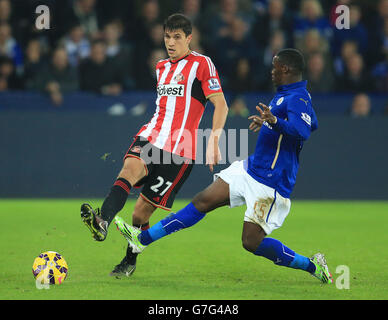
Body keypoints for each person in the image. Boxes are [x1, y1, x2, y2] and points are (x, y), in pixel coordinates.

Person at [115, 48, 333, 284]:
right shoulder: (290, 94)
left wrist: (275, 121)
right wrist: (271, 124)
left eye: (275, 67)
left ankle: (312, 266)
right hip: (250, 169)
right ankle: (142, 240)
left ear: (286, 69)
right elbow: (313, 123)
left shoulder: (297, 97)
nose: (271, 72)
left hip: (271, 181)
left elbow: (303, 131)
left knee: (251, 242)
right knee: (202, 201)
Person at [80, 13, 229, 277]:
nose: (171, 43)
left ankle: (129, 261)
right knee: (127, 171)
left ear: (189, 38)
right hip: (151, 136)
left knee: (140, 213)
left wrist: (214, 139)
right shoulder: (161, 67)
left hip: (180, 151)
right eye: (167, 37)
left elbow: (220, 104)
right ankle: (102, 220)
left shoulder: (201, 64)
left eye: (177, 37)